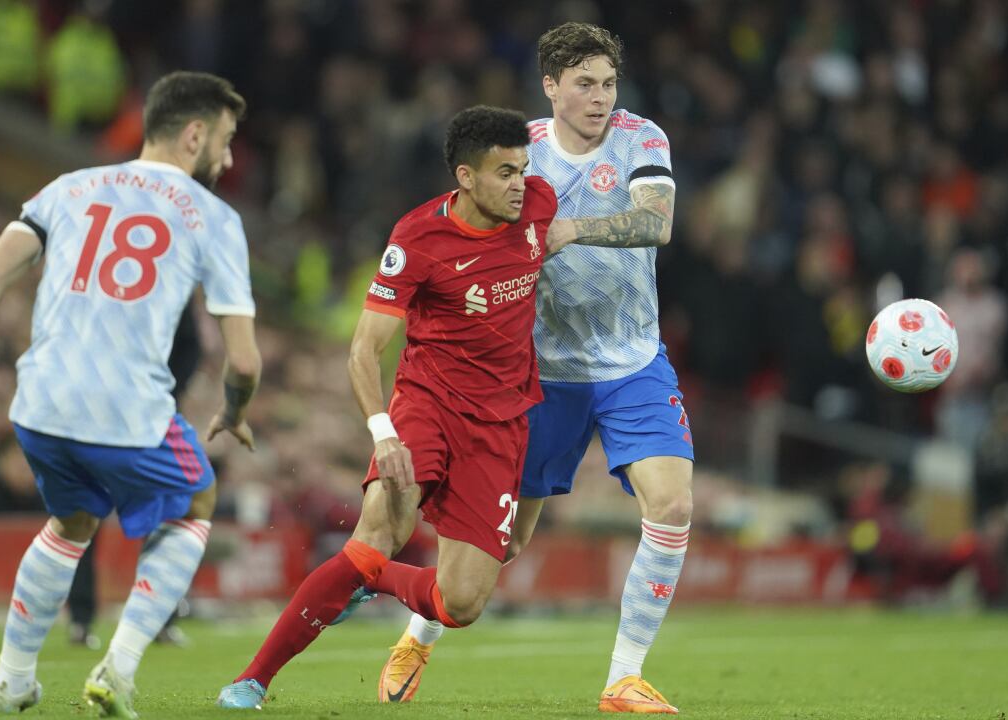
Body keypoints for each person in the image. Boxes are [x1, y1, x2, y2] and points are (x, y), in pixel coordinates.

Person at [0, 71, 261, 718]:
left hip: (39, 408)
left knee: (72, 524)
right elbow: (242, 359)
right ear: (194, 134)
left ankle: (13, 681)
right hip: (126, 407)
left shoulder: (67, 187)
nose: (229, 156)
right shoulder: (214, 217)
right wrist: (234, 411)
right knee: (198, 499)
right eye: (225, 139)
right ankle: (118, 670)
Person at [381, 23, 691, 714]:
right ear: (550, 86)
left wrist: (573, 229)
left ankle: (623, 678)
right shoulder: (518, 154)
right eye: (584, 84)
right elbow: (466, 236)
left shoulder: (643, 137)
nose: (600, 98)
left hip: (633, 361)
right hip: (540, 372)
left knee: (671, 505)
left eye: (608, 83)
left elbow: (658, 221)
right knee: (508, 541)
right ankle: (418, 633)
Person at [216, 105, 558, 710]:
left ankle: (368, 580)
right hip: (428, 403)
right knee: (377, 532)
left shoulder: (539, 206)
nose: (519, 184)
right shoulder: (417, 238)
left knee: (462, 605)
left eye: (523, 170)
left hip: (501, 423)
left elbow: (568, 231)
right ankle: (252, 679)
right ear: (466, 177)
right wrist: (384, 434)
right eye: (504, 172)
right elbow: (363, 350)